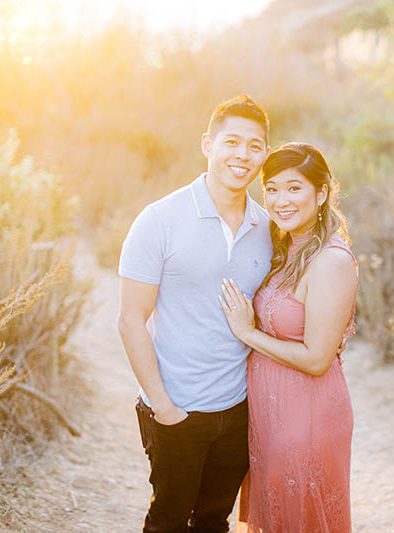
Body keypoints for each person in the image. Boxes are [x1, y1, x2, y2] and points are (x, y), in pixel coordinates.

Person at [117, 94, 272, 533]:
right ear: (208, 144)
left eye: (255, 145)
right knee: (167, 520)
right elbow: (131, 319)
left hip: (240, 409)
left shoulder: (267, 227)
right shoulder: (159, 219)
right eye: (232, 142)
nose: (243, 155)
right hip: (177, 409)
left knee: (212, 521)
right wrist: (165, 408)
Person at [219, 142, 358, 533]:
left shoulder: (331, 261)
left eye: (294, 188)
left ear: (322, 193)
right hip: (270, 416)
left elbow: (317, 359)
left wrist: (247, 333)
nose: (281, 200)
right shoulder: (284, 248)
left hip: (307, 417)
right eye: (272, 188)